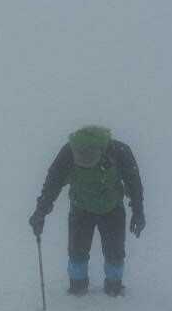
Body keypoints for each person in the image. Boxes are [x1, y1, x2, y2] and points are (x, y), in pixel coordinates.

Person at [29, 126, 145, 297]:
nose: (85, 163)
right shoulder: (68, 153)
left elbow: (133, 183)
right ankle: (78, 286)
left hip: (112, 208)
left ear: (101, 151)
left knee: (115, 253)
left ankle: (114, 286)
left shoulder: (119, 152)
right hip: (81, 208)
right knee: (77, 252)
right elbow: (53, 182)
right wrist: (40, 212)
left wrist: (138, 211)